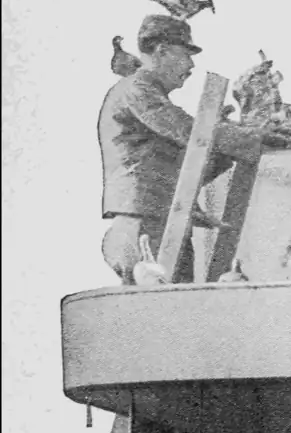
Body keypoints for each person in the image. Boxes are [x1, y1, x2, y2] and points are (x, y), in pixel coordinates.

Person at [98, 14, 272, 284]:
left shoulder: (143, 93)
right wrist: (253, 136)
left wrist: (233, 137)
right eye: (186, 54)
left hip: (162, 221)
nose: (191, 65)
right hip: (145, 223)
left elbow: (191, 160)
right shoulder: (136, 88)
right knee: (163, 312)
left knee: (174, 309)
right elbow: (189, 132)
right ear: (162, 51)